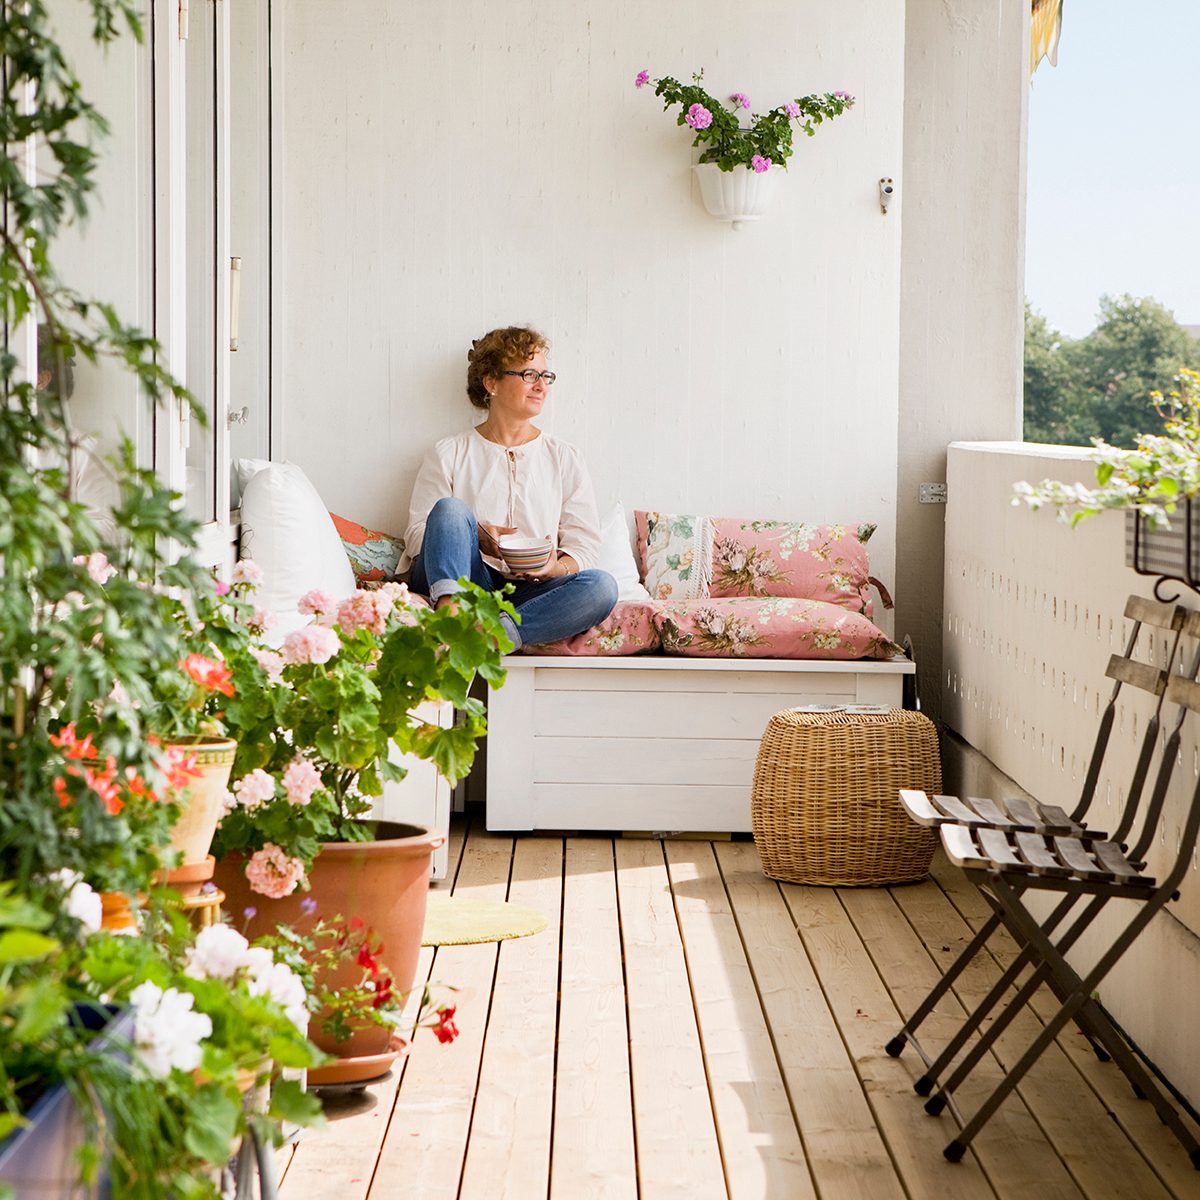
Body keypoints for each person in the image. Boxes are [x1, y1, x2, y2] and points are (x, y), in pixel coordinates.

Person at [403, 326, 618, 650]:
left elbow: (585, 546)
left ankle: (489, 637)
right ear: (491, 382)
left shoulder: (564, 457)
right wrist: (476, 536)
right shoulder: (449, 453)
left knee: (603, 587)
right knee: (450, 510)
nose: (541, 386)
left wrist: (554, 568)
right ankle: (451, 618)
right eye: (529, 373)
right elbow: (418, 537)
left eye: (546, 376)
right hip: (465, 579)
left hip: (527, 594)